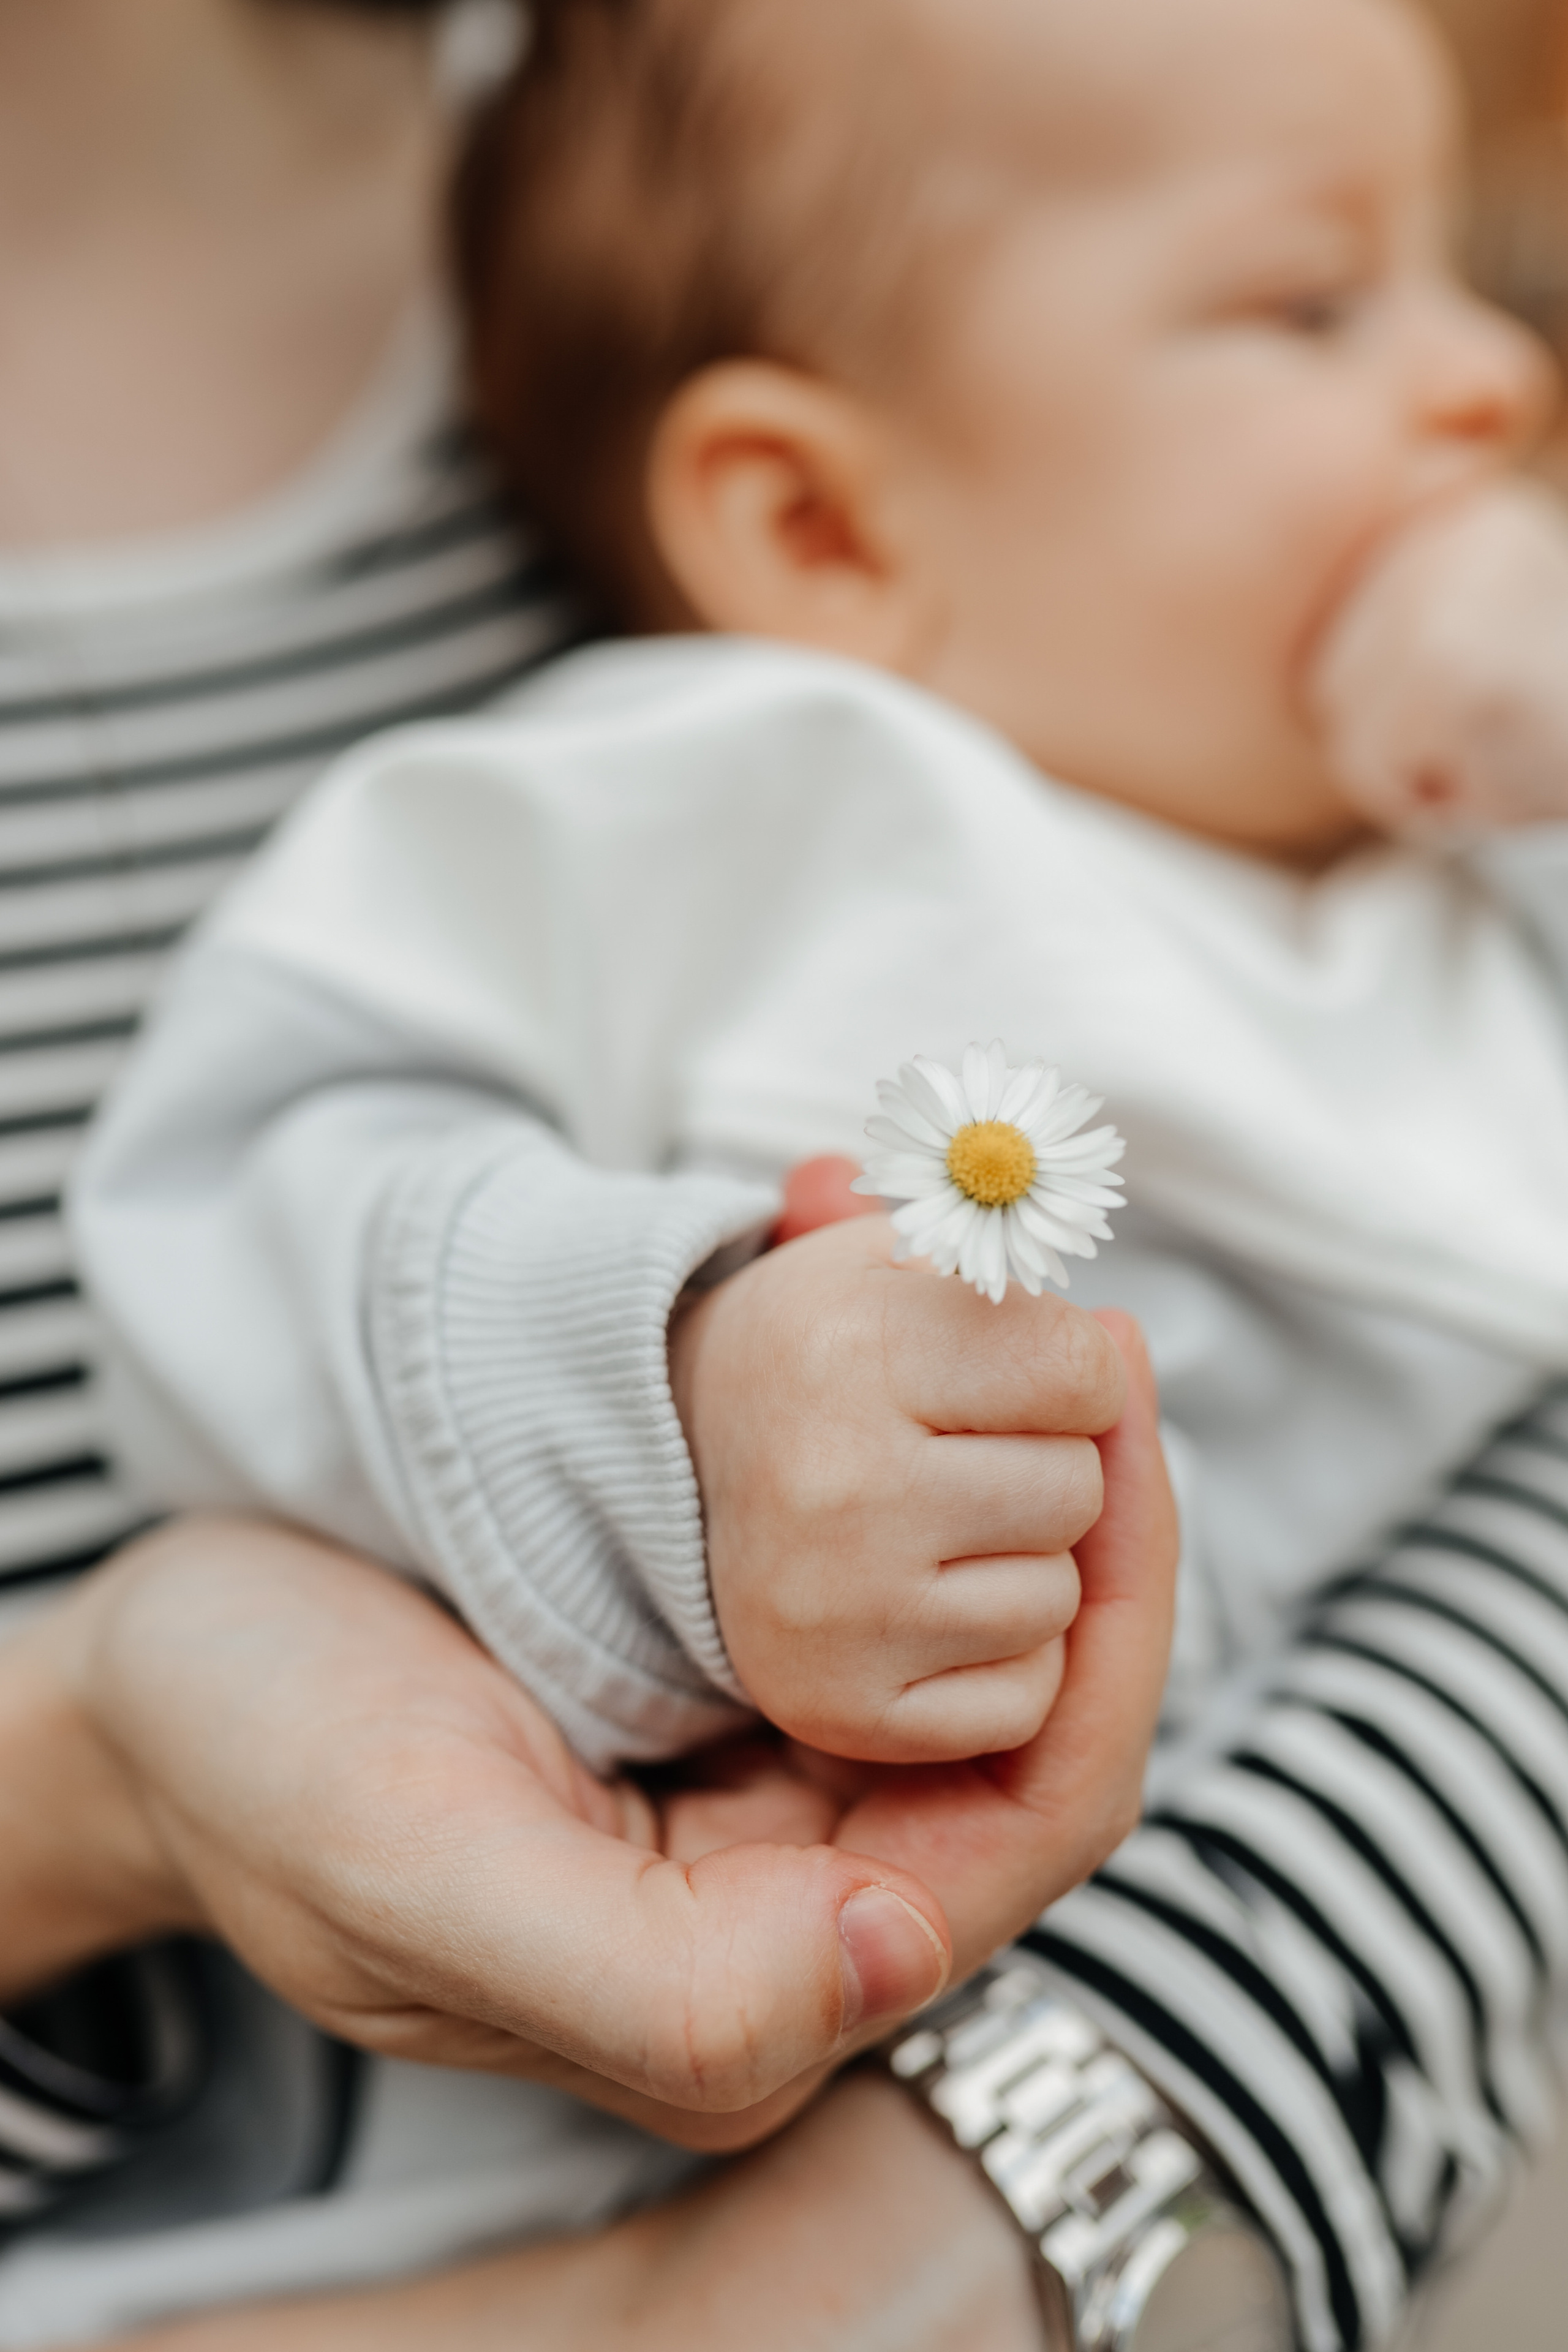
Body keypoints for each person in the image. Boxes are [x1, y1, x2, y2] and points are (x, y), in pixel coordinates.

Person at [64, 1, 1568, 2346]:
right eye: (1313, 303)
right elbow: (253, 1186)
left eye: (1452, 269)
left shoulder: (1430, 893)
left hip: (1192, 2147)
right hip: (432, 2205)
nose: (1489, 376)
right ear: (822, 524)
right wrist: (677, 1387)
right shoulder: (734, 807)